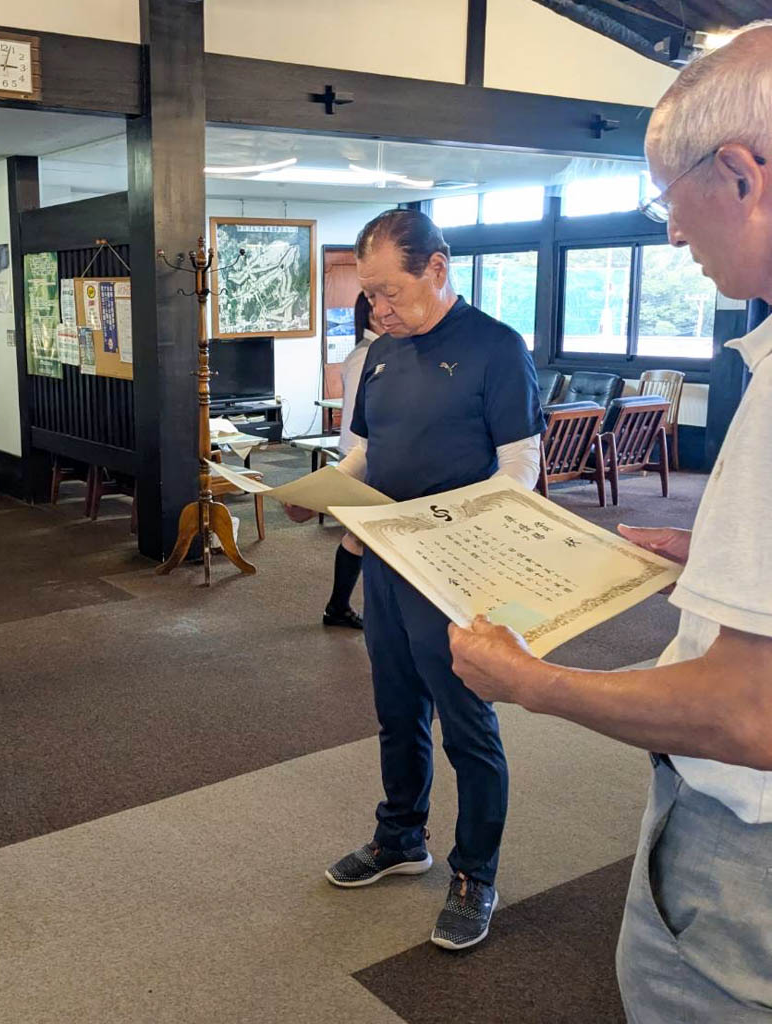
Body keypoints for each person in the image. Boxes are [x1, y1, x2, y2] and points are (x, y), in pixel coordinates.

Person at [448, 21, 772, 1021]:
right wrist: (721, 557)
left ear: (741, 175)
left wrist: (530, 683)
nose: (670, 235)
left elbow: (748, 713)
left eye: (667, 202)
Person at [288, 208, 543, 949]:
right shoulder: (380, 354)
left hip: (458, 574)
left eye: (389, 292)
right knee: (398, 711)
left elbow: (521, 469)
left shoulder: (496, 347)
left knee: (467, 725)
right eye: (369, 294)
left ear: (437, 269)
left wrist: (453, 531)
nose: (378, 308)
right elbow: (367, 453)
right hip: (389, 563)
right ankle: (400, 837)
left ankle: (475, 873)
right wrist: (322, 493)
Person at [321, 292, 384, 629]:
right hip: (362, 456)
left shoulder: (373, 351)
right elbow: (366, 417)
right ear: (370, 314)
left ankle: (338, 606)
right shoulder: (368, 355)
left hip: (363, 453)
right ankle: (339, 606)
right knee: (362, 535)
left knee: (360, 534)